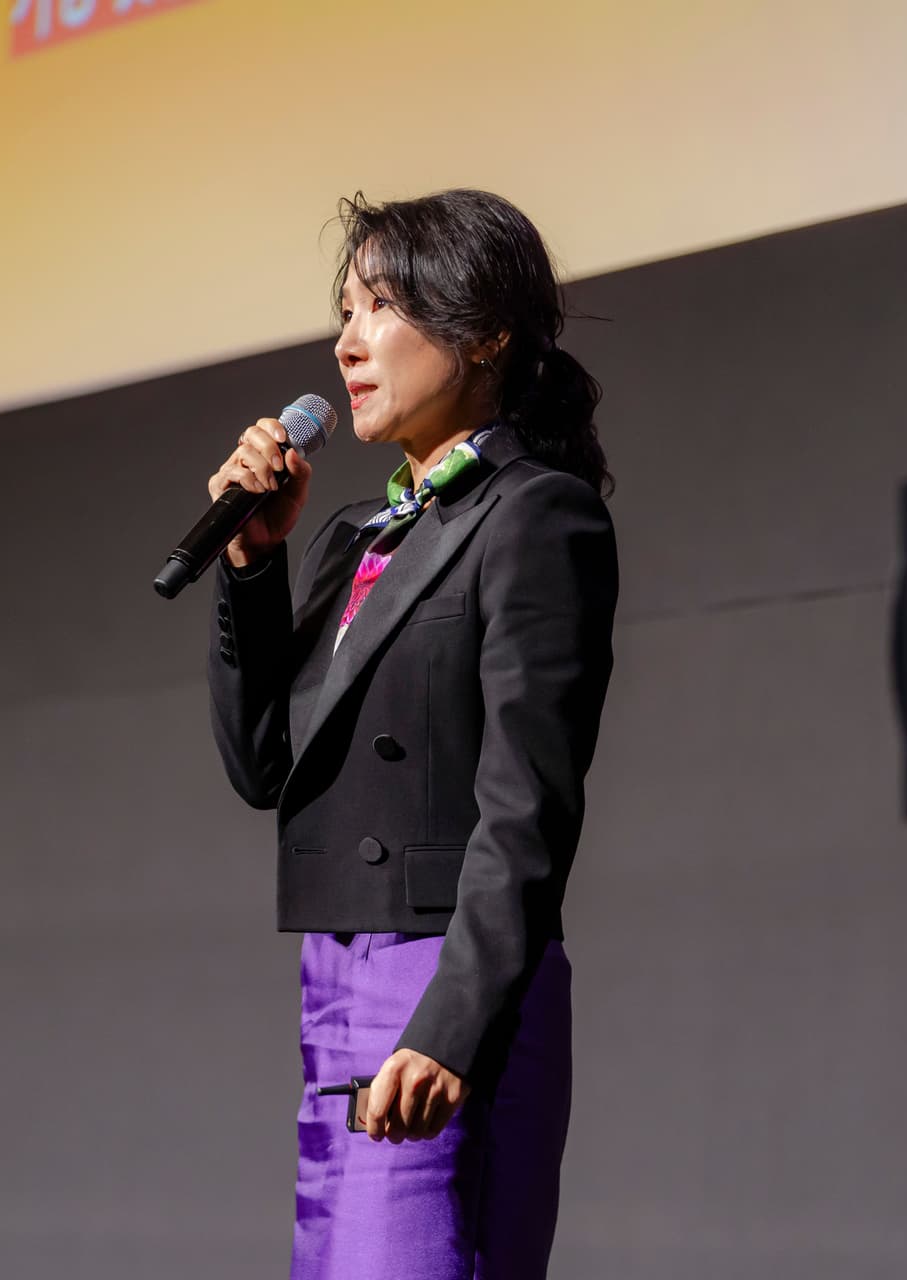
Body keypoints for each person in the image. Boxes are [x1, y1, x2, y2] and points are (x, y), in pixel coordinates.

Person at [203, 189, 618, 1280]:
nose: (347, 342)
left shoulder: (535, 512)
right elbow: (263, 767)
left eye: (381, 306)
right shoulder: (353, 536)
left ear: (484, 333)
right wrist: (251, 564)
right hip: (336, 978)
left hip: (445, 975)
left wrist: (451, 1024)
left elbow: (528, 803)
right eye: (343, 309)